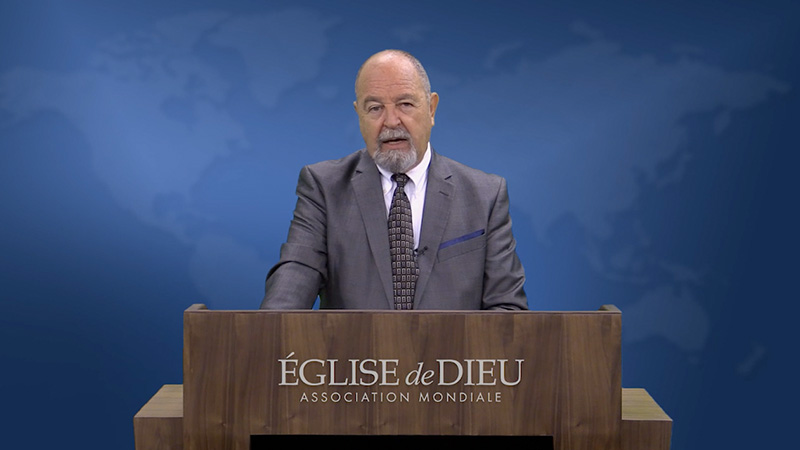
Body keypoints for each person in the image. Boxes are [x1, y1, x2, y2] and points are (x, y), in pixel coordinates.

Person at [260, 50, 527, 310]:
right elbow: (295, 276)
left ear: (431, 109)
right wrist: (269, 329)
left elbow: (507, 310)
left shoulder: (485, 195)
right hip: (357, 344)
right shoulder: (324, 187)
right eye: (375, 108)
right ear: (359, 114)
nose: (390, 121)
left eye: (405, 104)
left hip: (453, 344)